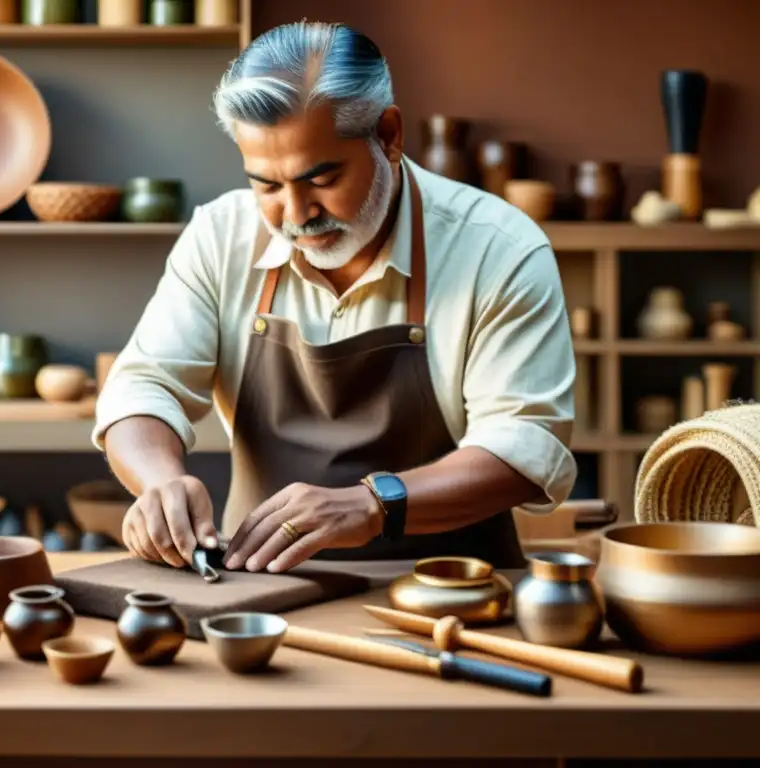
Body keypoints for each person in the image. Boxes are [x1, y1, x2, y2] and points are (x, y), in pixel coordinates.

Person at [92, 21, 576, 574]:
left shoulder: (499, 249)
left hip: (458, 595)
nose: (296, 216)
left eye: (320, 179)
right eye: (268, 186)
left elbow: (524, 446)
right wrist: (159, 482)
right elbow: (144, 386)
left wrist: (371, 504)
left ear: (389, 135)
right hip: (267, 589)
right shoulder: (220, 237)